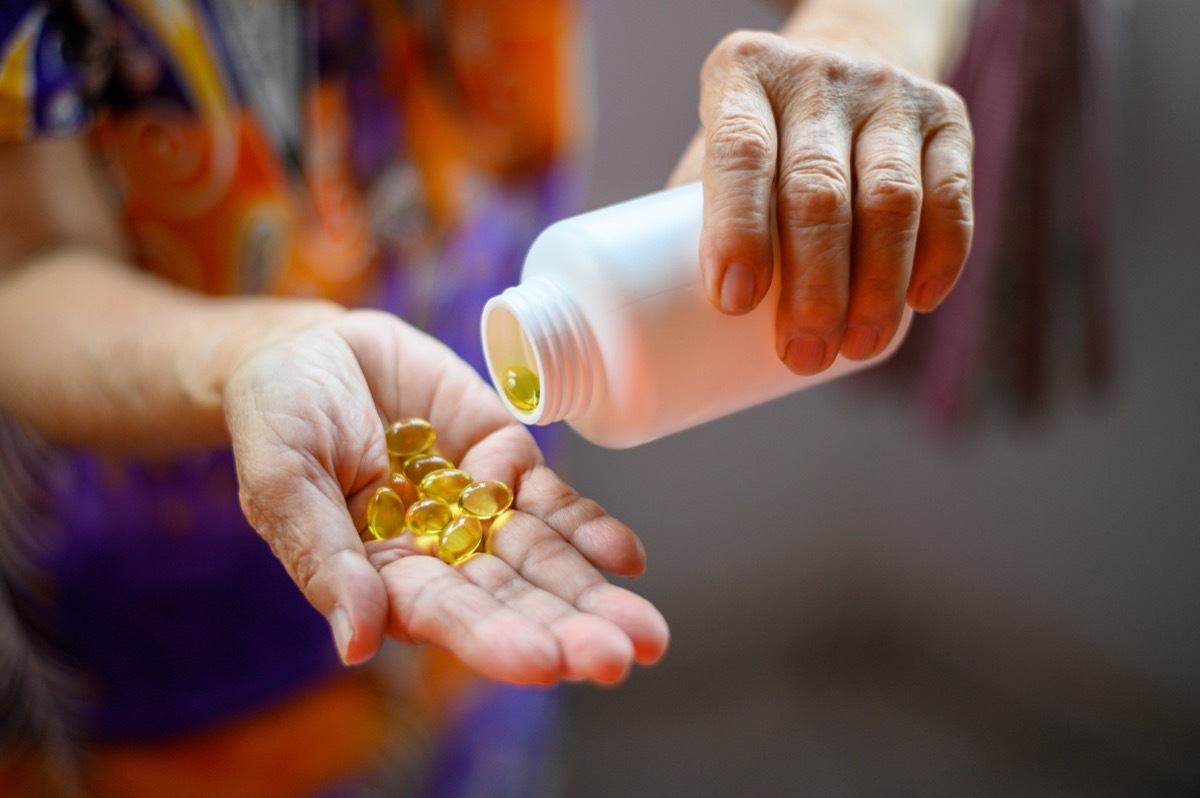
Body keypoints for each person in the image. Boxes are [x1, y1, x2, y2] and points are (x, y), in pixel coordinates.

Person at [0, 0, 973, 795]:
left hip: (467, 601)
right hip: (128, 665)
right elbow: (25, 266)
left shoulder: (538, 411)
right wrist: (256, 351)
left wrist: (859, 38)